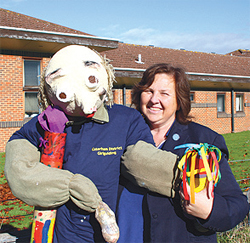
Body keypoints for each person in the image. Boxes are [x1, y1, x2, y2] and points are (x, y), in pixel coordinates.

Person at [4, 46, 178, 243]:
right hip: (65, 234)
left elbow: (142, 161)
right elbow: (18, 169)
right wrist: (69, 185)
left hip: (116, 234)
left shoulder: (124, 119)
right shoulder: (44, 123)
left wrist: (184, 174)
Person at [118, 63, 249, 242]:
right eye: (149, 91)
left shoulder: (203, 140)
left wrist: (210, 210)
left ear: (179, 100)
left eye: (164, 93)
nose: (154, 99)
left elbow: (237, 205)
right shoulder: (123, 135)